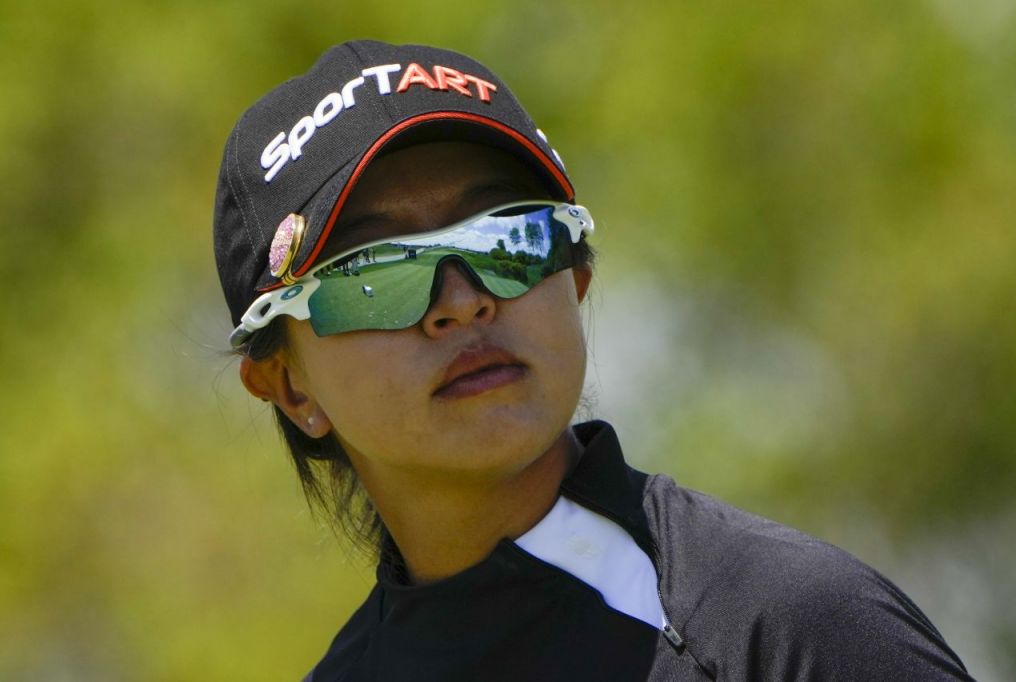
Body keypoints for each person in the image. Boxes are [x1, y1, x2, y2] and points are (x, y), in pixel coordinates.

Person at [212, 40, 972, 681]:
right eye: (375, 275)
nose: (464, 302)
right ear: (288, 385)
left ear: (574, 279)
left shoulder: (786, 627)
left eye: (511, 239)